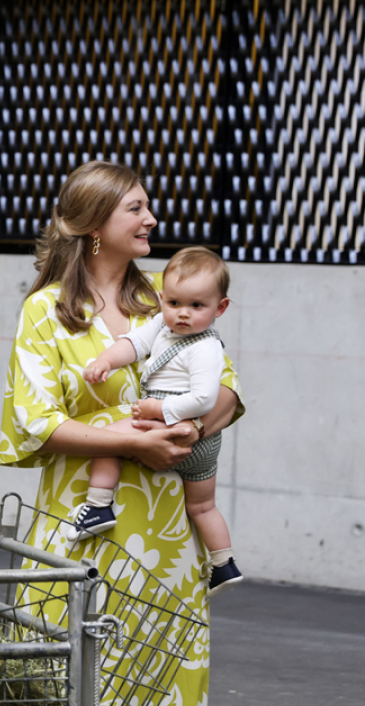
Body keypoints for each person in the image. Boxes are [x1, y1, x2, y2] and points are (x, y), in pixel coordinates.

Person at [0, 160, 253, 706]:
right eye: (135, 209)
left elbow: (226, 385)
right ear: (93, 224)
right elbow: (34, 421)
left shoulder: (164, 301)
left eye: (147, 208)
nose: (150, 220)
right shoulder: (47, 311)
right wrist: (133, 439)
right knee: (64, 673)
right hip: (84, 521)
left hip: (166, 529)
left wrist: (192, 430)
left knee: (170, 672)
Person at [77, 246, 243, 593]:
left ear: (220, 308)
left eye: (197, 306)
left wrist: (160, 411)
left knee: (108, 440)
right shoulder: (164, 327)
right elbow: (135, 344)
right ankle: (223, 564)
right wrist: (108, 360)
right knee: (201, 505)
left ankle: (97, 507)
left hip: (176, 420)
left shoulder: (205, 348)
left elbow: (205, 398)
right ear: (163, 299)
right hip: (204, 445)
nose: (183, 314)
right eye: (174, 303)